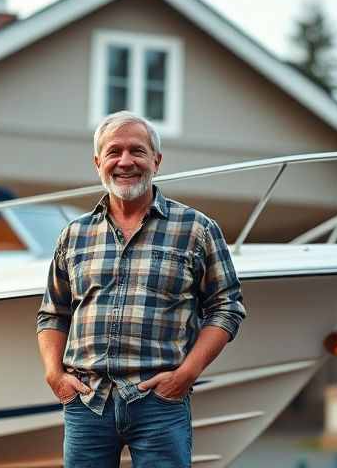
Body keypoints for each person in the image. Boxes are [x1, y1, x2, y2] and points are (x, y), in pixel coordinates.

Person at [36, 111, 246, 467]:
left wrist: (186, 375)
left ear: (157, 161)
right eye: (114, 151)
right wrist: (55, 375)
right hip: (88, 405)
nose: (125, 161)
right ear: (98, 162)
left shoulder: (197, 229)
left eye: (137, 151)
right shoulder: (74, 235)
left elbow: (227, 307)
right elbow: (53, 313)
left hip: (159, 403)